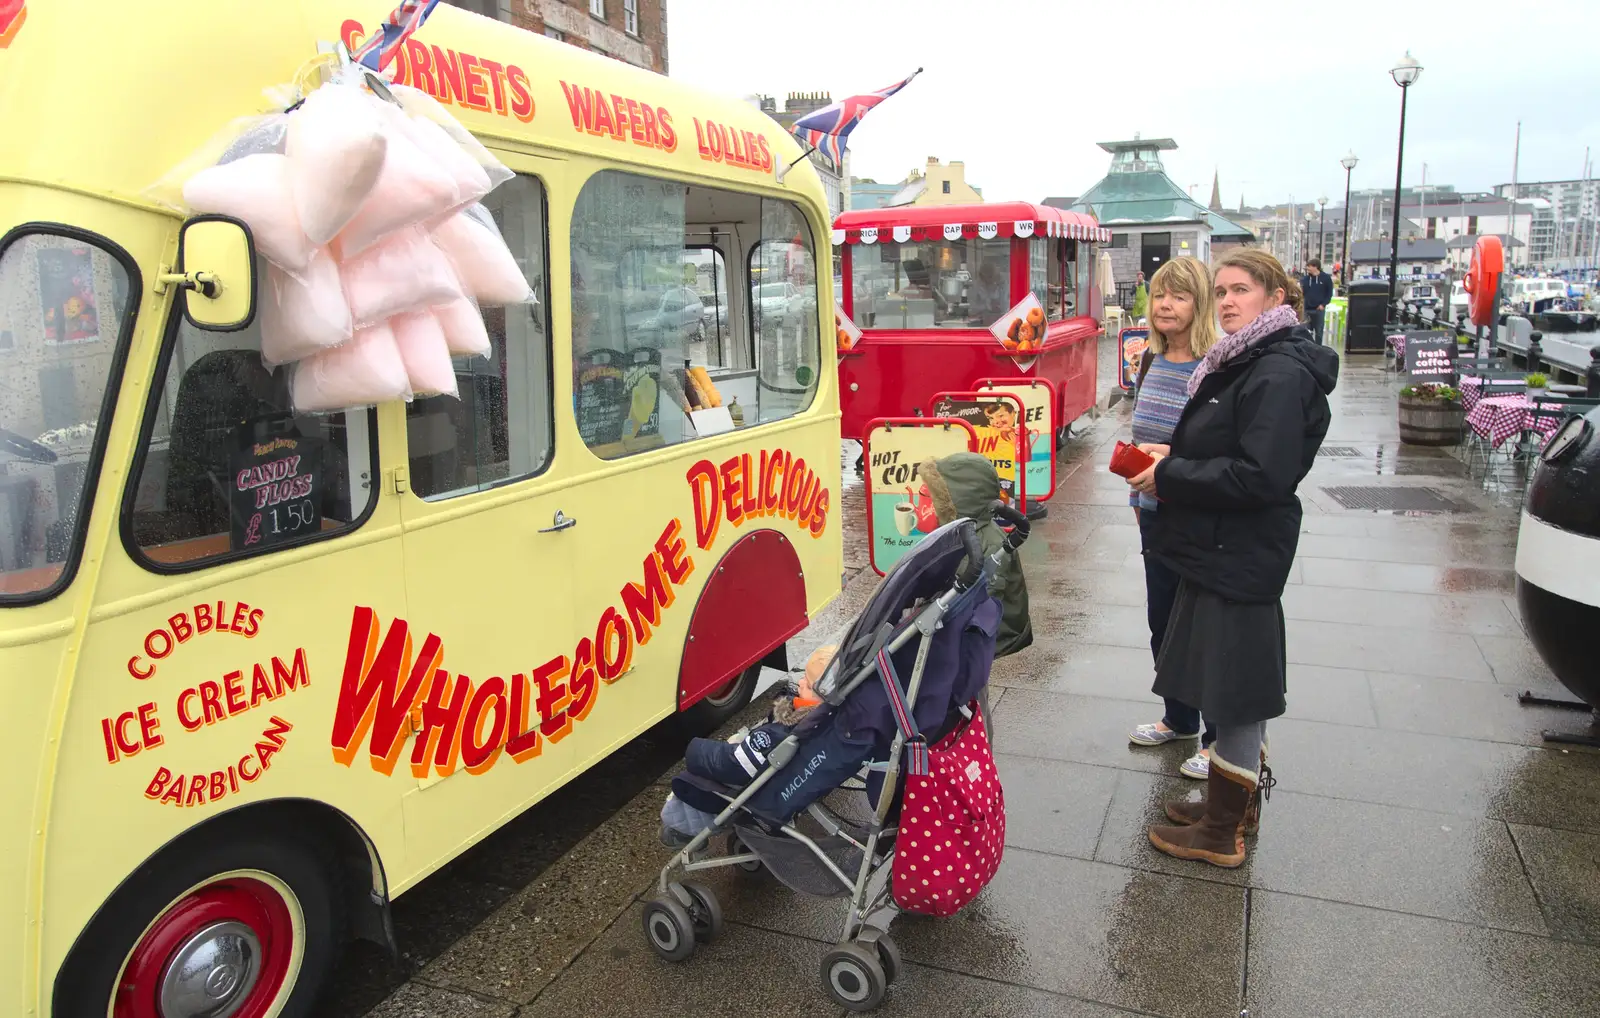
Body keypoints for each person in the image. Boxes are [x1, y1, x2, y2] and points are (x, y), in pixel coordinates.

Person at [1125, 248, 1338, 868]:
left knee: (1238, 691)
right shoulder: (1254, 359)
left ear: (1275, 298)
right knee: (1224, 675)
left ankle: (1222, 831)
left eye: (1240, 290)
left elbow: (1259, 476)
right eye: (1220, 291)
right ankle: (1227, 804)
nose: (1226, 301)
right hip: (1221, 544)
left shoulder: (1275, 372)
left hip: (1238, 548)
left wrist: (1171, 472)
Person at [1123, 257, 1218, 780]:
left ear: (1198, 303)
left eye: (1179, 296)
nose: (1165, 305)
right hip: (1155, 512)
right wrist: (1139, 502)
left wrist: (1173, 457)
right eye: (1160, 294)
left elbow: (1218, 444)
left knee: (1205, 626)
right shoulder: (1149, 362)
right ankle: (1179, 717)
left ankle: (1219, 738)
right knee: (1164, 621)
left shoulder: (1214, 366)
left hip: (1199, 514)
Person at [1301, 257, 1334, 345]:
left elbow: (1329, 293)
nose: (1307, 268)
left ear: (1316, 267)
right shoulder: (1305, 279)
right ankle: (1309, 348)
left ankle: (1319, 349)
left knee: (1319, 331)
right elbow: (1301, 293)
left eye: (1309, 266)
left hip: (1319, 309)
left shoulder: (1326, 278)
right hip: (1307, 309)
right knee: (1307, 331)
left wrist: (1323, 304)